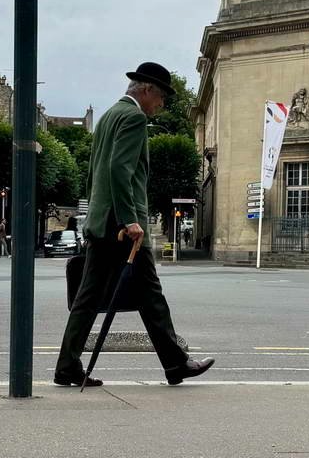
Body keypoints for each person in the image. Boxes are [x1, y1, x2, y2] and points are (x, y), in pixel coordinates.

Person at [55, 62, 214, 387]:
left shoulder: (109, 116)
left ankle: (68, 366)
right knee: (149, 293)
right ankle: (176, 364)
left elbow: (94, 173)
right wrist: (130, 219)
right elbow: (119, 169)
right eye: (162, 97)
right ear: (146, 90)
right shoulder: (134, 118)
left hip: (102, 220)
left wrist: (97, 212)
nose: (162, 105)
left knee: (92, 297)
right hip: (122, 227)